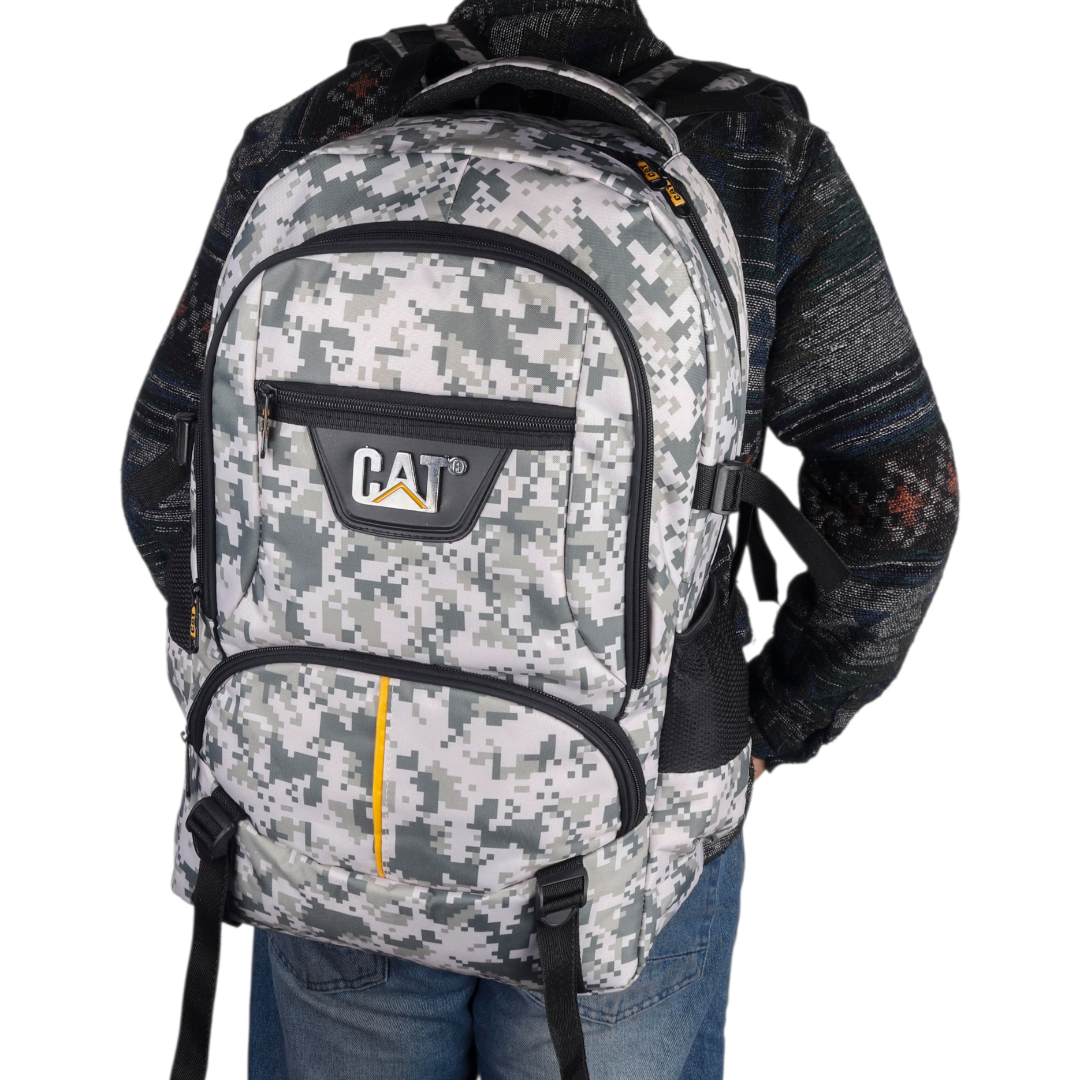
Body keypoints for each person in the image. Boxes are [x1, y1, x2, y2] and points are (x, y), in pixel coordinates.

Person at [122, 2, 958, 1076]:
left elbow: (162, 467)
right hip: (623, 833)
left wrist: (274, 692)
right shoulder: (756, 151)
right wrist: (762, 723)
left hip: (329, 817)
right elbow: (904, 503)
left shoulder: (318, 130)